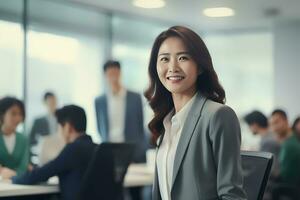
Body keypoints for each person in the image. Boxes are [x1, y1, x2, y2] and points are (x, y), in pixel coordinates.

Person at [144, 26, 246, 200]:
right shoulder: (165, 123)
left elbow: (232, 195)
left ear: (200, 66)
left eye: (183, 58)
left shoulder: (218, 116)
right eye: (164, 59)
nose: (172, 67)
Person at [12, 105, 96, 200]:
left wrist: (14, 178)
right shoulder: (97, 148)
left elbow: (41, 174)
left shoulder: (73, 149)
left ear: (68, 127)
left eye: (59, 128)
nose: (59, 132)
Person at [95, 60, 147, 200]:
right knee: (112, 191)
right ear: (105, 75)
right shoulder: (99, 101)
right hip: (110, 151)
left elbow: (139, 126)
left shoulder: (134, 97)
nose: (112, 76)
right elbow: (100, 128)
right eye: (109, 73)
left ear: (120, 73)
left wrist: (139, 151)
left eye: (115, 72)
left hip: (131, 150)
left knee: (136, 192)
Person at [244, 110, 280, 176]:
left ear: (255, 124)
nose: (249, 129)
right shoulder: (271, 136)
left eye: (249, 125)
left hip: (273, 181)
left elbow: (269, 168)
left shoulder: (267, 141)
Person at [0, 97, 29, 179]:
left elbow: (24, 166)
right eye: (13, 113)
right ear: (2, 114)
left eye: (20, 114)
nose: (17, 118)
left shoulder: (23, 139)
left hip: (18, 184)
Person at [269, 109, 300, 185]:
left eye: (276, 122)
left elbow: (283, 176)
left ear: (286, 121)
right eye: (271, 124)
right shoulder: (290, 141)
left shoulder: (289, 146)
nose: (274, 128)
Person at [29, 92, 58, 163]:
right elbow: (30, 139)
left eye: (54, 101)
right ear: (45, 103)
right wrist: (41, 141)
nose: (52, 104)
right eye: (50, 102)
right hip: (44, 152)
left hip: (59, 150)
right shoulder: (38, 121)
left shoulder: (61, 120)